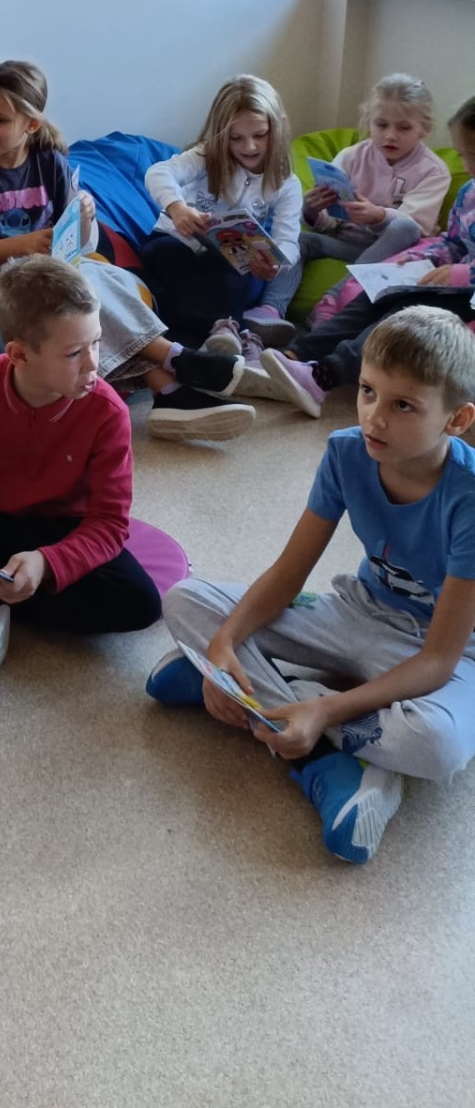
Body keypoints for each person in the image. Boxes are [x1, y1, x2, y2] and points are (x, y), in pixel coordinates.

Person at [147, 307, 475, 864]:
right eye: (368, 391)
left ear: (457, 419)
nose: (374, 418)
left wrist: (326, 711)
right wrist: (224, 643)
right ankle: (291, 709)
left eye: (403, 406)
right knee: (186, 600)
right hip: (356, 610)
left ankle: (292, 717)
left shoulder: (467, 498)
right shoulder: (346, 452)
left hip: (441, 652)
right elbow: (287, 574)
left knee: (438, 745)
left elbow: (438, 661)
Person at [0, 61, 252, 442]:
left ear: (31, 125)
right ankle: (174, 361)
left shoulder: (50, 162)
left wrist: (84, 218)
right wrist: (26, 244)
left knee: (109, 276)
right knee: (72, 288)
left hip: (47, 269)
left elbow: (80, 246)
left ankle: (169, 391)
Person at [0, 258, 162, 703]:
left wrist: (47, 563)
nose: (93, 364)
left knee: (140, 601)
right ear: (19, 354)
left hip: (55, 530)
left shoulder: (107, 413)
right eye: (74, 353)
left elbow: (109, 524)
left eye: (96, 343)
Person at [260, 99, 475, 418]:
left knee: (404, 319)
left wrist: (459, 274)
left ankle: (323, 376)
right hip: (447, 282)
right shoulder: (469, 192)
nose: (468, 166)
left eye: (472, 156)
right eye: (463, 155)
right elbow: (453, 241)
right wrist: (421, 258)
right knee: (376, 296)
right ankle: (294, 356)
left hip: (468, 295)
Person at [139, 75, 302, 427]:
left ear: (277, 127)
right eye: (236, 137)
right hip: (178, 247)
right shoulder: (204, 157)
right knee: (160, 257)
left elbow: (289, 241)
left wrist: (276, 264)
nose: (249, 146)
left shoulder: (286, 182)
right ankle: (233, 334)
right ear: (219, 133)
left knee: (235, 267)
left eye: (260, 135)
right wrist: (178, 209)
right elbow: (158, 172)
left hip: (229, 261)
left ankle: (219, 336)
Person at [298, 73, 448, 268]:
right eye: (381, 125)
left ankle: (348, 286)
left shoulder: (433, 171)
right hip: (346, 245)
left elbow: (414, 229)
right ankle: (274, 292)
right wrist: (311, 210)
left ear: (425, 128)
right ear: (369, 121)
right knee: (294, 241)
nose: (390, 135)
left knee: (405, 227)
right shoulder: (351, 156)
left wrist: (379, 216)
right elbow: (328, 224)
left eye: (404, 128)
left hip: (394, 254)